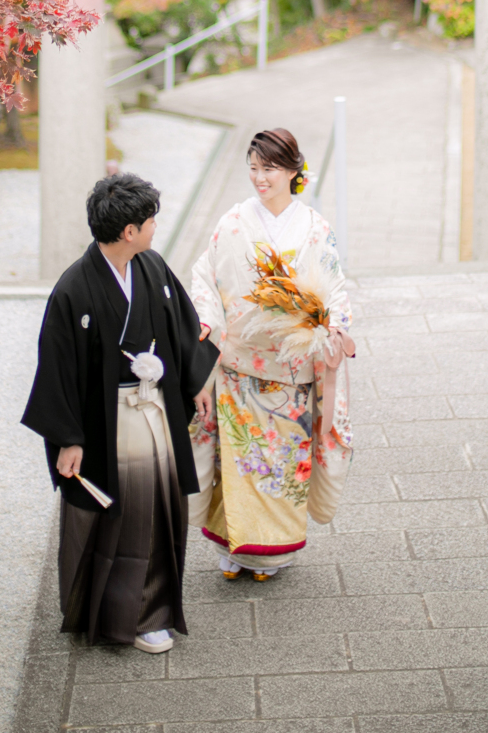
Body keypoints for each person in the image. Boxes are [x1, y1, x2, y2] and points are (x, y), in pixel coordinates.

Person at [22, 173, 219, 653]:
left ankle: (151, 614)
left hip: (153, 408)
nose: (156, 228)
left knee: (158, 513)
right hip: (105, 420)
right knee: (117, 519)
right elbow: (58, 369)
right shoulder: (74, 290)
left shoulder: (151, 269)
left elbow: (181, 326)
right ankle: (111, 615)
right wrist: (69, 438)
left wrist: (197, 383)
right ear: (128, 231)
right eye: (150, 221)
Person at [190, 128, 354, 582]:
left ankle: (270, 553)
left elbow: (335, 287)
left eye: (270, 169)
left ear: (294, 172)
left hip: (293, 367)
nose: (259, 177)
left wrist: (334, 327)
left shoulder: (315, 228)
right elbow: (205, 276)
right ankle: (235, 549)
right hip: (240, 363)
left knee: (281, 462)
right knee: (240, 461)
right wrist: (207, 320)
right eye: (254, 167)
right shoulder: (233, 222)